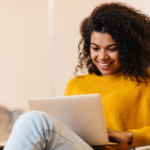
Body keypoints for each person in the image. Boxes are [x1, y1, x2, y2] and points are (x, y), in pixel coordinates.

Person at [4, 2, 150, 150]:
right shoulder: (75, 84)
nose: (102, 56)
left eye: (112, 49)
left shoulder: (146, 80)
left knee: (34, 120)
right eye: (95, 48)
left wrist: (129, 136)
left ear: (129, 48)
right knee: (30, 121)